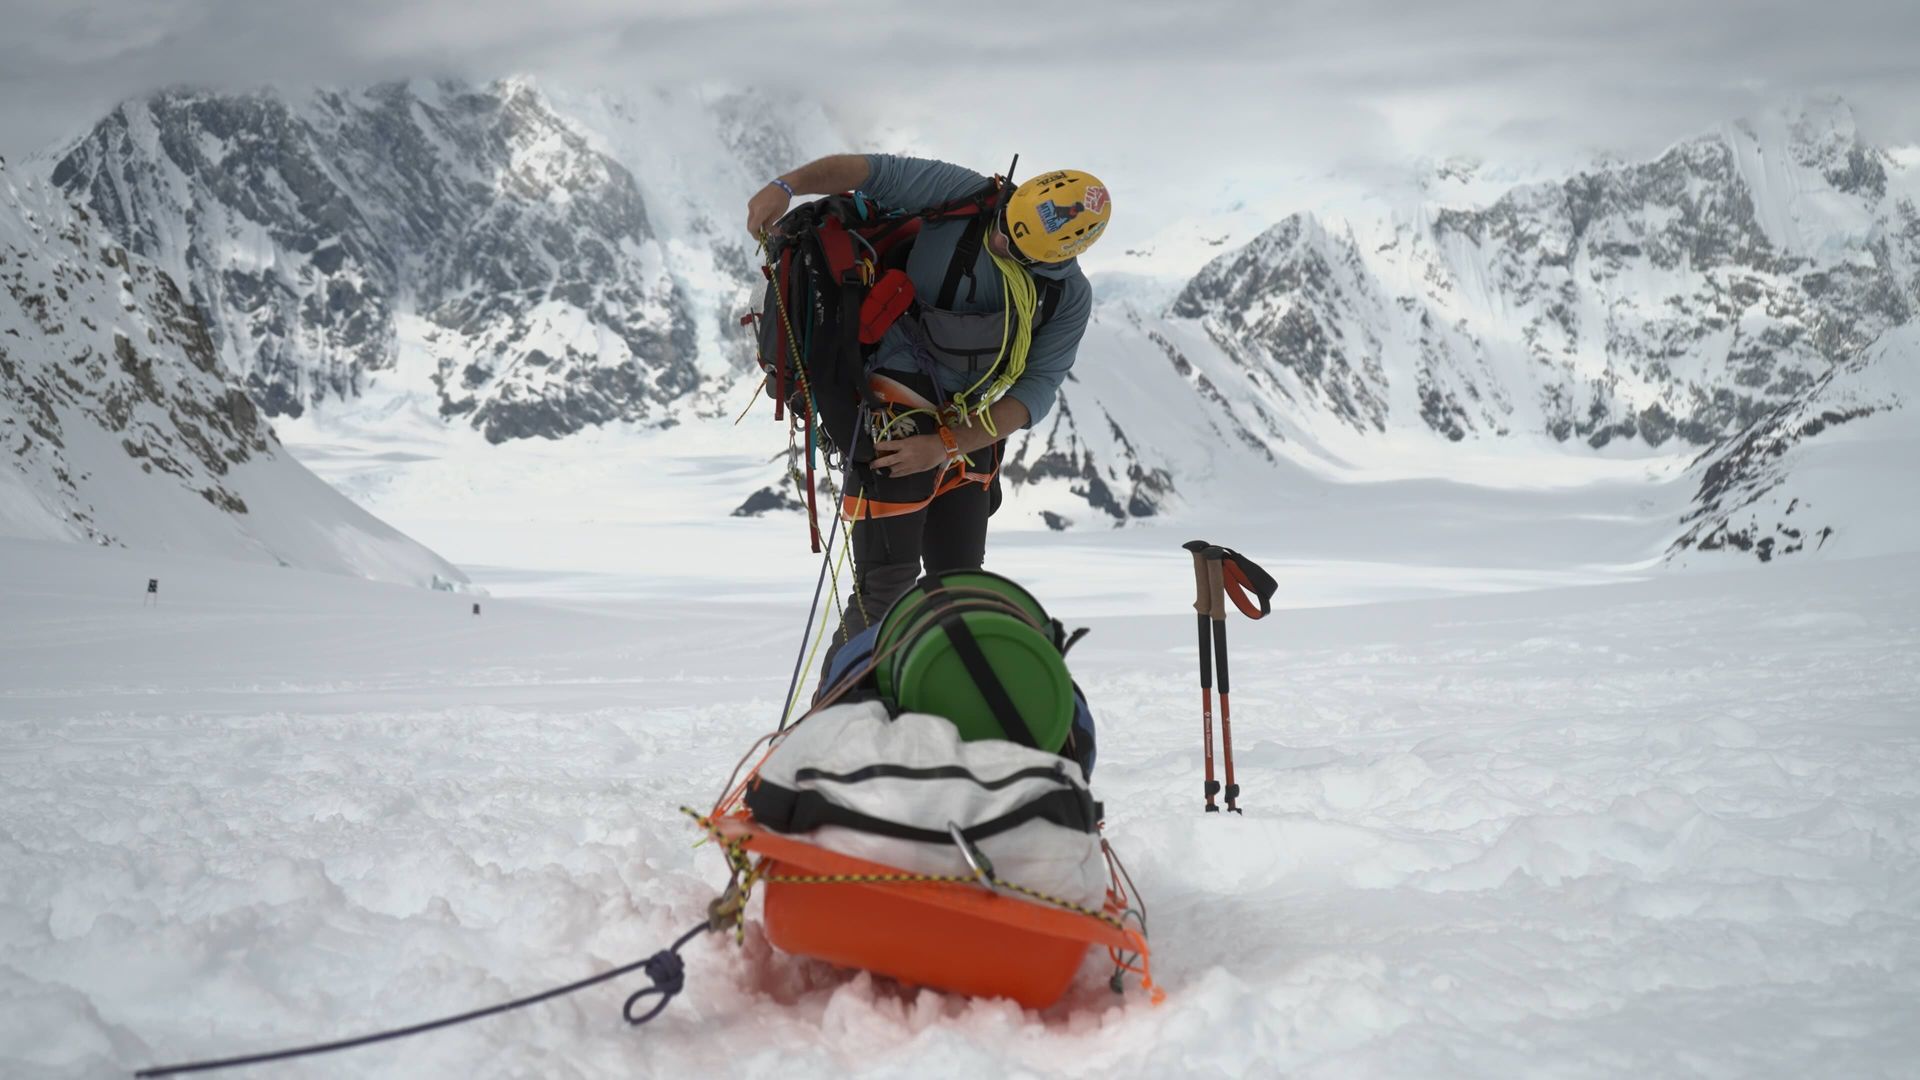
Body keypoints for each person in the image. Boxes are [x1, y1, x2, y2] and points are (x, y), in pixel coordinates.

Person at [745, 154, 1112, 670]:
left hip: (966, 428)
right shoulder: (970, 200)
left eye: (1016, 246)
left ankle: (929, 719)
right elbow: (871, 171)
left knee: (959, 591)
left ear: (1055, 257)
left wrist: (944, 445)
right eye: (1007, 225)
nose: (1000, 239)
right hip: (893, 402)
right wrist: (787, 185)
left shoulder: (1067, 296)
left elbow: (1036, 389)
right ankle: (831, 724)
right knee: (885, 595)